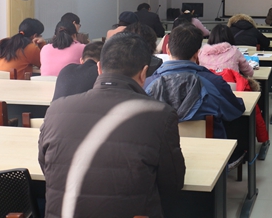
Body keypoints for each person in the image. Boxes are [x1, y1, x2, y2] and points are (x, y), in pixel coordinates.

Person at [39, 33, 185, 218]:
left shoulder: (56, 108)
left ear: (99, 68)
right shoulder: (160, 115)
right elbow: (172, 183)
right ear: (143, 73)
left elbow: (46, 166)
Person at [145, 24, 245, 139]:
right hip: (209, 148)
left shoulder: (146, 85)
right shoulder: (214, 83)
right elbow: (236, 109)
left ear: (167, 49)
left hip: (161, 148)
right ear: (197, 53)